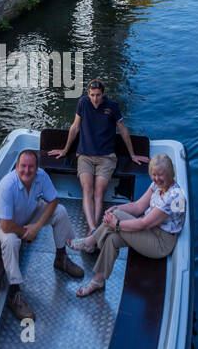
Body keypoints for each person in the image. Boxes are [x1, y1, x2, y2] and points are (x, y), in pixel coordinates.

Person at [0, 148, 81, 322]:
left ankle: (61, 257)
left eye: (31, 167)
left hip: (26, 214)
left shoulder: (41, 177)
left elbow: (53, 201)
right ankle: (14, 293)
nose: (26, 171)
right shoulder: (7, 186)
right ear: (16, 166)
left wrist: (36, 227)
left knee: (60, 212)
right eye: (23, 166)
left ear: (37, 168)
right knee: (12, 240)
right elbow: (6, 226)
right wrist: (26, 234)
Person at [75, 153, 186, 297]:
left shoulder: (175, 196)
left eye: (161, 175)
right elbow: (138, 206)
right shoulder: (157, 185)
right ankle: (98, 280)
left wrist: (117, 223)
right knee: (112, 239)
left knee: (115, 221)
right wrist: (116, 208)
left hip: (161, 243)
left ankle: (90, 241)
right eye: (154, 175)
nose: (157, 179)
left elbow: (143, 223)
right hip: (151, 231)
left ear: (171, 173)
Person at [48, 79, 148, 238]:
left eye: (98, 95)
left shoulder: (112, 106)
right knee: (87, 189)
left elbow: (123, 130)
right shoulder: (83, 103)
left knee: (99, 191)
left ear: (103, 94)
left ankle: (91, 231)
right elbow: (75, 127)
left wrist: (133, 155)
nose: (95, 99)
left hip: (106, 157)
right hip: (85, 156)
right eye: (92, 95)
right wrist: (65, 150)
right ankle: (93, 228)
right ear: (88, 94)